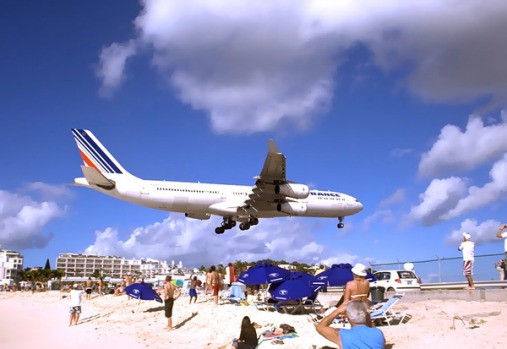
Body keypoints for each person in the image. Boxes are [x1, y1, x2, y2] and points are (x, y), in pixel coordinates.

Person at [316, 300, 385, 349]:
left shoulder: (342, 335)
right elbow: (368, 329)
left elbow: (320, 327)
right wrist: (367, 314)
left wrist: (338, 310)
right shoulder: (378, 333)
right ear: (365, 315)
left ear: (348, 317)